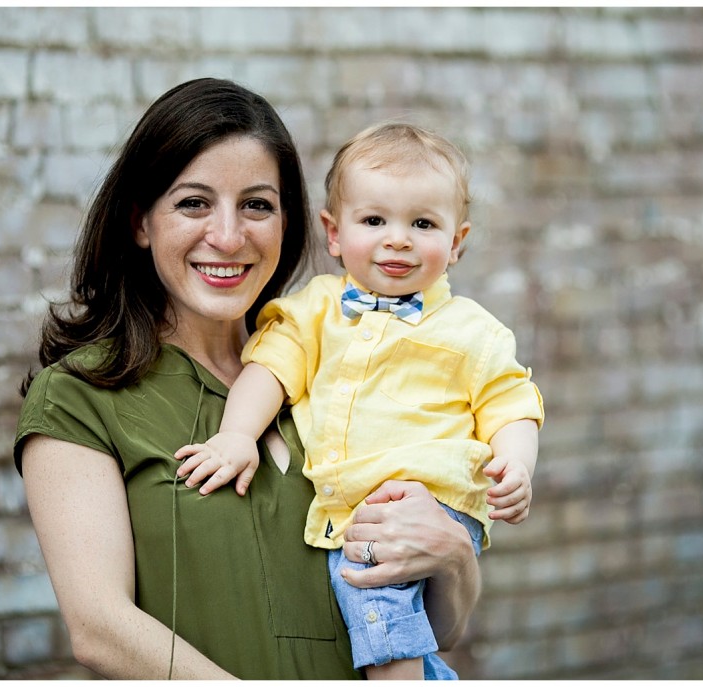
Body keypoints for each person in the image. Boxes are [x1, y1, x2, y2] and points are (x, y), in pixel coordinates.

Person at [15, 79, 482, 680]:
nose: (229, 237)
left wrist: (451, 556)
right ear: (140, 222)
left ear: (290, 223)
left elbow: (435, 627)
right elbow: (100, 629)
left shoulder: (337, 374)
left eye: (257, 205)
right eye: (193, 203)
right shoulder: (80, 398)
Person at [176, 122, 544, 680]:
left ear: (457, 242)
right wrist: (236, 435)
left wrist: (516, 463)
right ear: (334, 232)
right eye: (374, 221)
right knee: (391, 627)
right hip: (356, 510)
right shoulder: (316, 310)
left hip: (428, 500)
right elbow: (269, 369)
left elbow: (511, 403)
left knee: (374, 593)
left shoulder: (472, 330)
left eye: (423, 223)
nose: (398, 239)